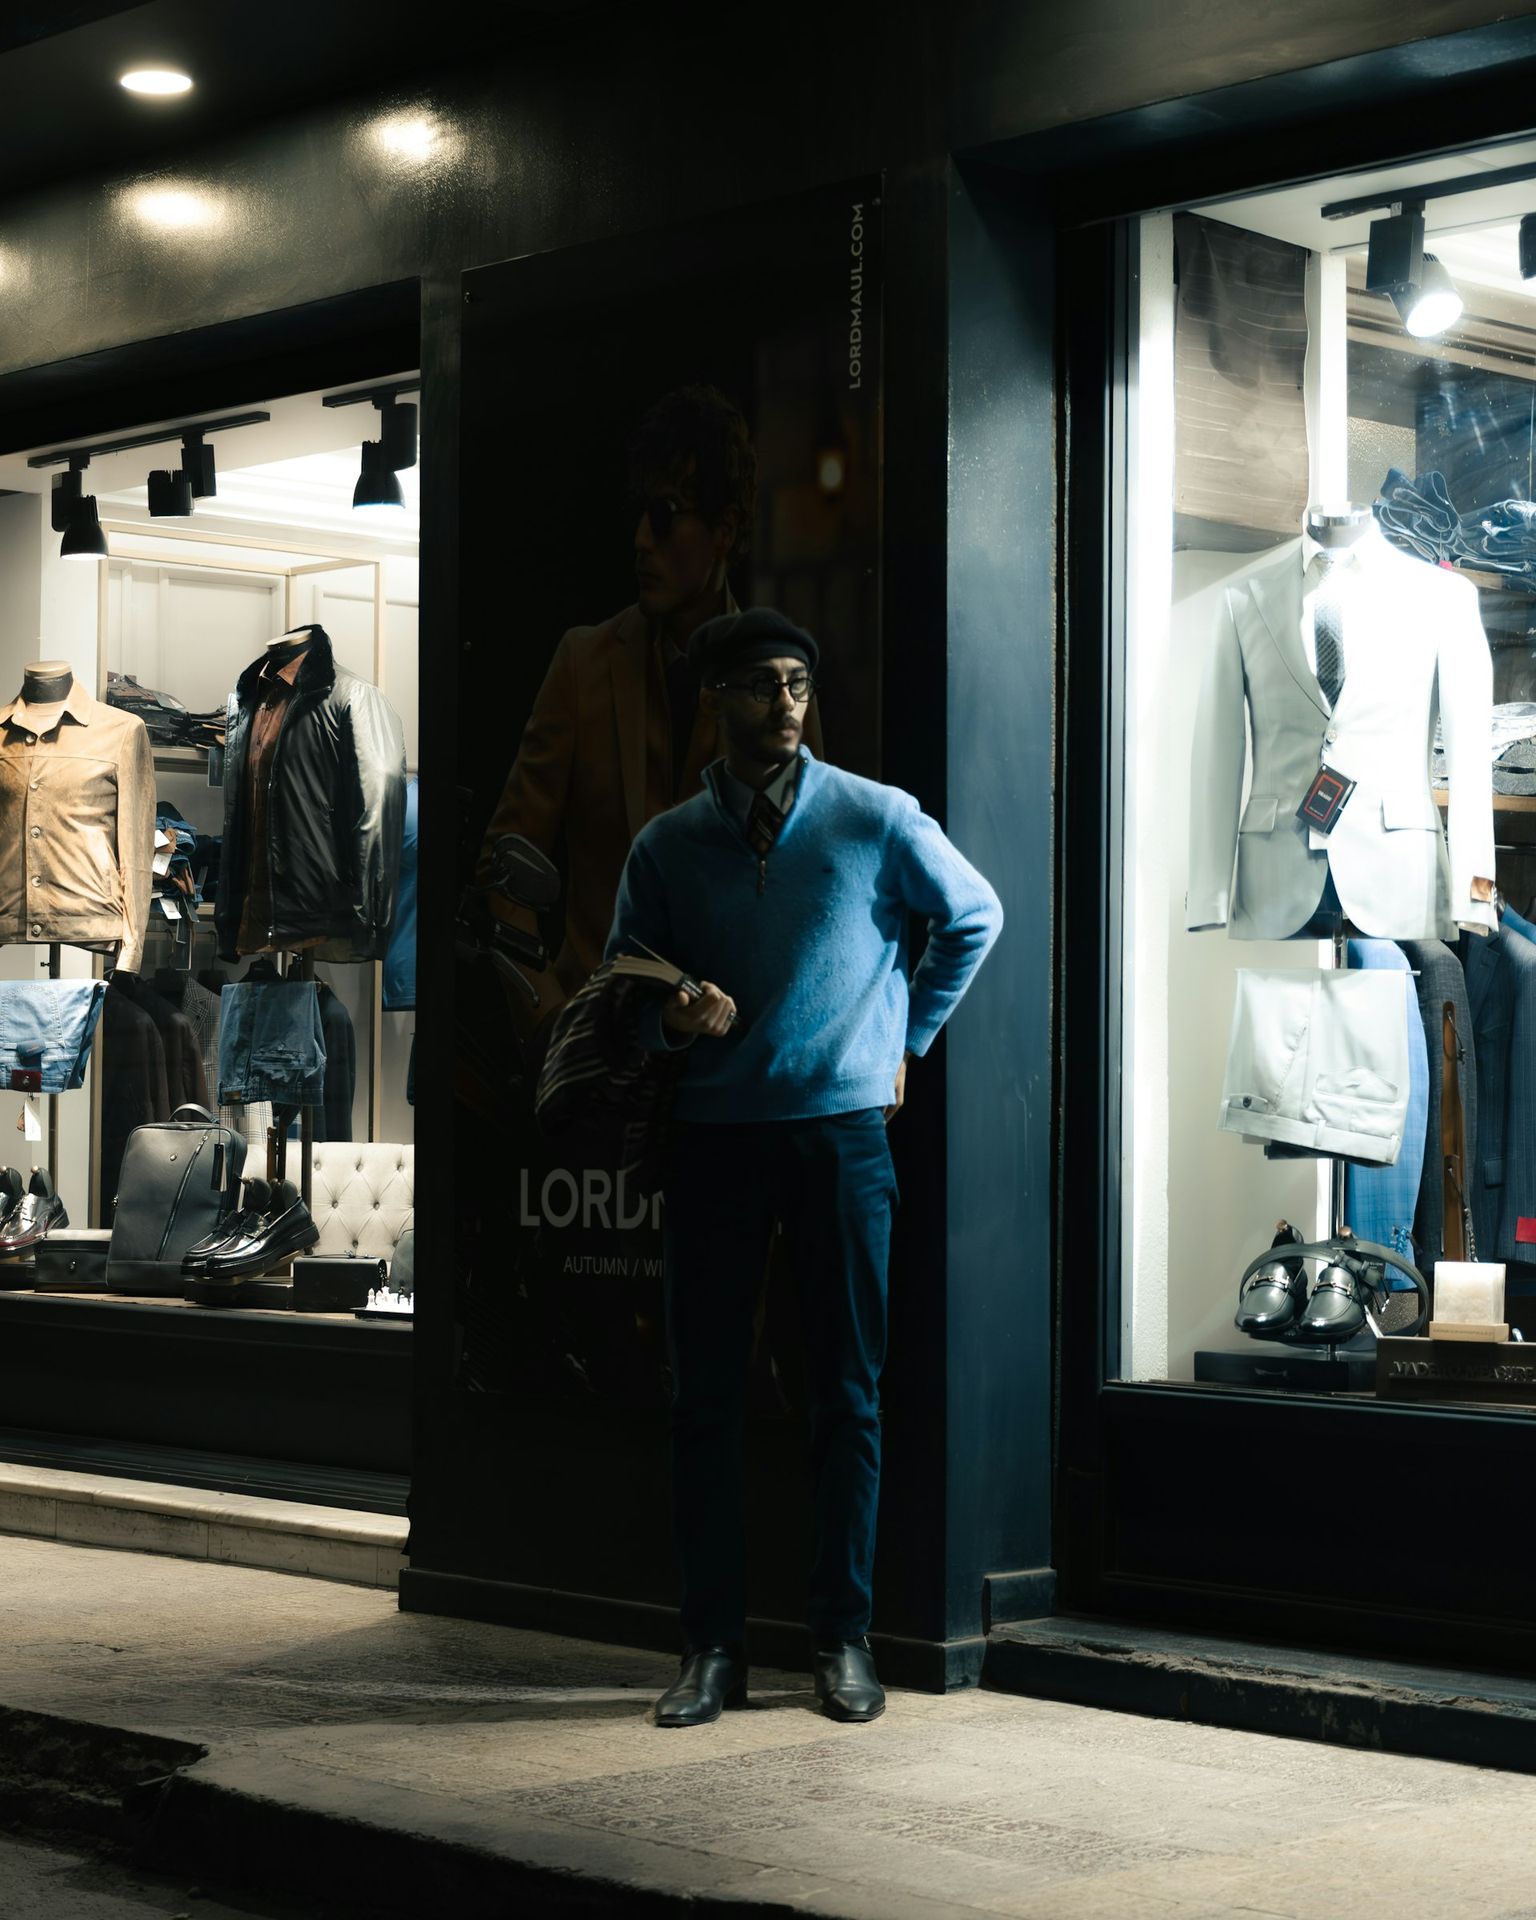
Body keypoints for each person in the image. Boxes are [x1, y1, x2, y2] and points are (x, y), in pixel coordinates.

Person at [606, 607, 1003, 1727]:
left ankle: (843, 1639)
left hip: (842, 1137)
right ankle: (712, 1650)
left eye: (797, 683)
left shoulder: (875, 819)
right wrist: (675, 1017)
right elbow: (621, 1003)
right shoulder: (668, 845)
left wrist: (903, 1042)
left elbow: (973, 916)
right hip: (716, 1142)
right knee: (706, 1405)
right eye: (758, 685)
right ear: (714, 700)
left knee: (847, 1396)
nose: (784, 704)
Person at [477, 384, 823, 1023]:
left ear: (723, 532)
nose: (641, 539)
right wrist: (550, 1021)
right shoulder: (585, 663)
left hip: (727, 1067)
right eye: (640, 513)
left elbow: (812, 877)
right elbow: (506, 866)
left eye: (665, 515)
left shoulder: (780, 681)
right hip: (599, 1053)